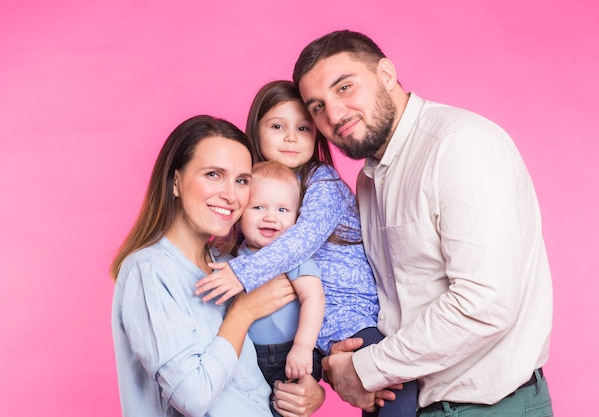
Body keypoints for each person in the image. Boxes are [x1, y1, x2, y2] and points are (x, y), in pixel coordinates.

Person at [292, 30, 554, 417]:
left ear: (385, 74)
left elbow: (484, 304)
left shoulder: (457, 144)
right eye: (317, 107)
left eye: (345, 87)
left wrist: (366, 369)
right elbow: (384, 301)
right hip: (406, 404)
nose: (334, 114)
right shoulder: (368, 181)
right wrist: (339, 360)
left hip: (488, 408)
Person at [196, 81, 412, 415]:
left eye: (303, 128)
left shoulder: (321, 181)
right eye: (278, 126)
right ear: (256, 130)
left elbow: (304, 238)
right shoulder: (249, 183)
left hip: (345, 315)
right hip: (291, 330)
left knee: (393, 392)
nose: (291, 137)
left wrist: (242, 272)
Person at [110, 115, 324, 417]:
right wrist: (243, 312)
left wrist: (309, 390)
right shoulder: (149, 271)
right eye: (213, 174)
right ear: (175, 182)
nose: (230, 195)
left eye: (241, 180)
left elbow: (258, 376)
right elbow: (193, 398)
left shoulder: (231, 266)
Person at [237, 160, 325, 416]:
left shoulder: (293, 258)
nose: (270, 217)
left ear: (297, 217)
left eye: (283, 210)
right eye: (258, 207)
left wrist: (303, 347)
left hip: (289, 353)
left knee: (286, 408)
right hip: (248, 356)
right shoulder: (235, 259)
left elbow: (314, 298)